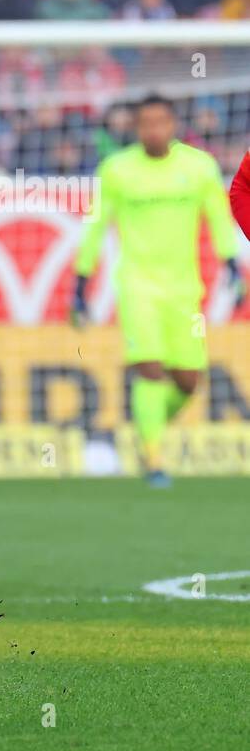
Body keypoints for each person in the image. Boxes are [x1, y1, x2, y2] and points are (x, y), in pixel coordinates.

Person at [73, 94, 245, 487]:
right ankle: (154, 460)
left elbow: (219, 220)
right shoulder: (117, 170)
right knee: (149, 368)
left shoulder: (198, 168)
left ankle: (147, 427)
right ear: (136, 128)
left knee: (188, 381)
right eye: (145, 123)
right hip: (137, 286)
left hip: (185, 290)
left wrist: (233, 269)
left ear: (173, 125)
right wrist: (81, 282)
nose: (153, 130)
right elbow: (95, 227)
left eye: (160, 122)